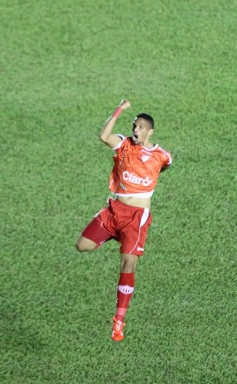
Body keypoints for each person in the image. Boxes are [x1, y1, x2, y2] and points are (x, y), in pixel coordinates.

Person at [76, 98, 172, 341]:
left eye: (140, 127)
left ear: (150, 131)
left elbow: (165, 165)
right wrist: (119, 109)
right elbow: (103, 136)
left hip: (136, 218)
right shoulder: (123, 145)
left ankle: (119, 320)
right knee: (82, 246)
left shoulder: (161, 155)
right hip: (114, 210)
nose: (136, 130)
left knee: (128, 264)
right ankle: (115, 235)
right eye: (134, 126)